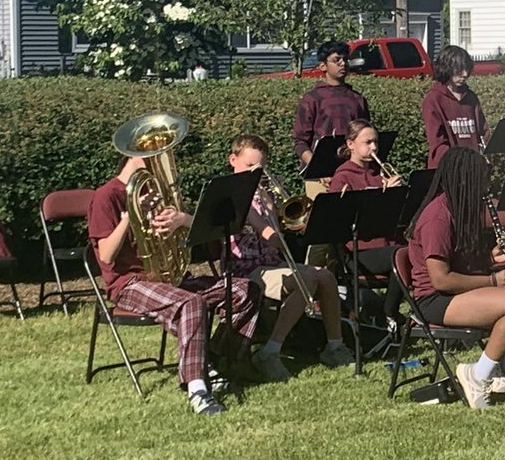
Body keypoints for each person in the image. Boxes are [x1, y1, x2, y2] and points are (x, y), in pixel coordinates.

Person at [87, 154, 262, 415]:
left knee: (246, 289)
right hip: (130, 283)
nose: (158, 159)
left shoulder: (154, 193)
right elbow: (106, 255)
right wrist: (130, 218)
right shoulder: (106, 196)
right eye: (151, 154)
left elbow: (185, 239)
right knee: (192, 302)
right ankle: (198, 389)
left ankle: (212, 360)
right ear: (132, 157)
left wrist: (176, 222)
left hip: (167, 278)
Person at [406, 146, 505, 408]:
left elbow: (463, 262)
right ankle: (477, 375)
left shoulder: (463, 208)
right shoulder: (437, 217)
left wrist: (490, 260)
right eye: (482, 179)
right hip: (436, 299)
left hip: (462, 291)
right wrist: (492, 281)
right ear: (465, 180)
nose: (486, 186)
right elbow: (441, 279)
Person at [227, 134, 354, 381]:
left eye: (260, 168)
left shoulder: (262, 192)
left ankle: (334, 346)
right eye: (249, 166)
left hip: (273, 264)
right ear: (233, 160)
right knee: (305, 278)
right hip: (247, 269)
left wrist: (274, 205)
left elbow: (279, 225)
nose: (255, 172)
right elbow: (267, 234)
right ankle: (270, 351)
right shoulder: (234, 193)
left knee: (326, 276)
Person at [331, 118, 405, 330]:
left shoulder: (378, 173)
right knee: (400, 256)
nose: (374, 147)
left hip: (385, 243)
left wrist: (399, 196)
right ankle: (388, 313)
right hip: (359, 251)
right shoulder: (342, 178)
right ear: (351, 144)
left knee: (414, 252)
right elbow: (338, 221)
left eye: (376, 142)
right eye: (368, 142)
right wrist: (383, 197)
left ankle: (389, 311)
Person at [293, 40, 371, 197]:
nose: (343, 64)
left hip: (353, 174)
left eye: (345, 59)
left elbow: (366, 137)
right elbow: (300, 142)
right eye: (336, 60)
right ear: (323, 66)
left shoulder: (357, 99)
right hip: (320, 179)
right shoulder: (312, 99)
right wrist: (319, 169)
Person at [422, 44, 491, 168]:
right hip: (448, 171)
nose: (465, 74)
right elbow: (437, 143)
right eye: (459, 69)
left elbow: (483, 133)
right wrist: (457, 163)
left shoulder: (471, 98)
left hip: (473, 170)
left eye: (467, 69)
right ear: (446, 68)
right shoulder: (433, 99)